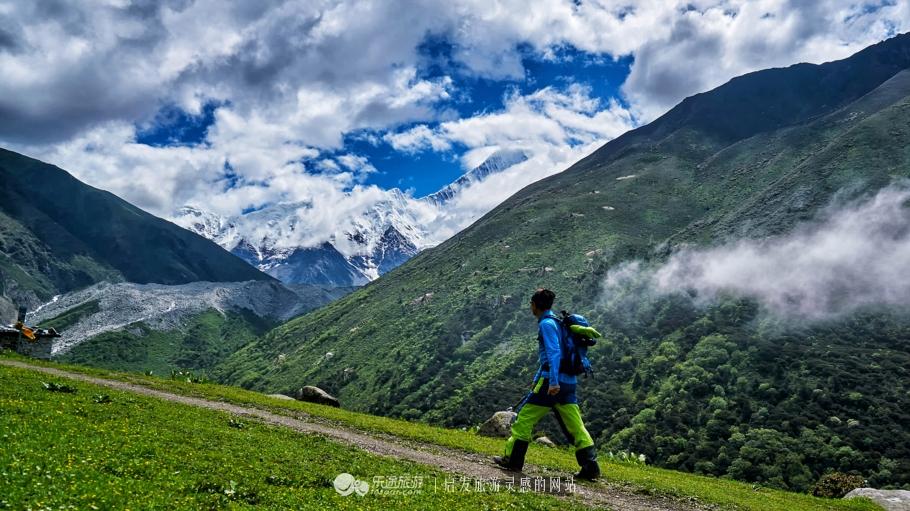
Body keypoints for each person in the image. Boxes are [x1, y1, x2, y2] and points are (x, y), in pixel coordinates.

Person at [493, 288, 601, 480]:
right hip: (569, 382)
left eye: (531, 304)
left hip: (551, 383)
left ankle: (513, 460)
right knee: (576, 425)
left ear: (535, 305)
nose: (530, 307)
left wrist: (552, 382)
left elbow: (554, 353)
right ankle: (590, 466)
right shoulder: (561, 325)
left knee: (524, 419)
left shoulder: (546, 324)